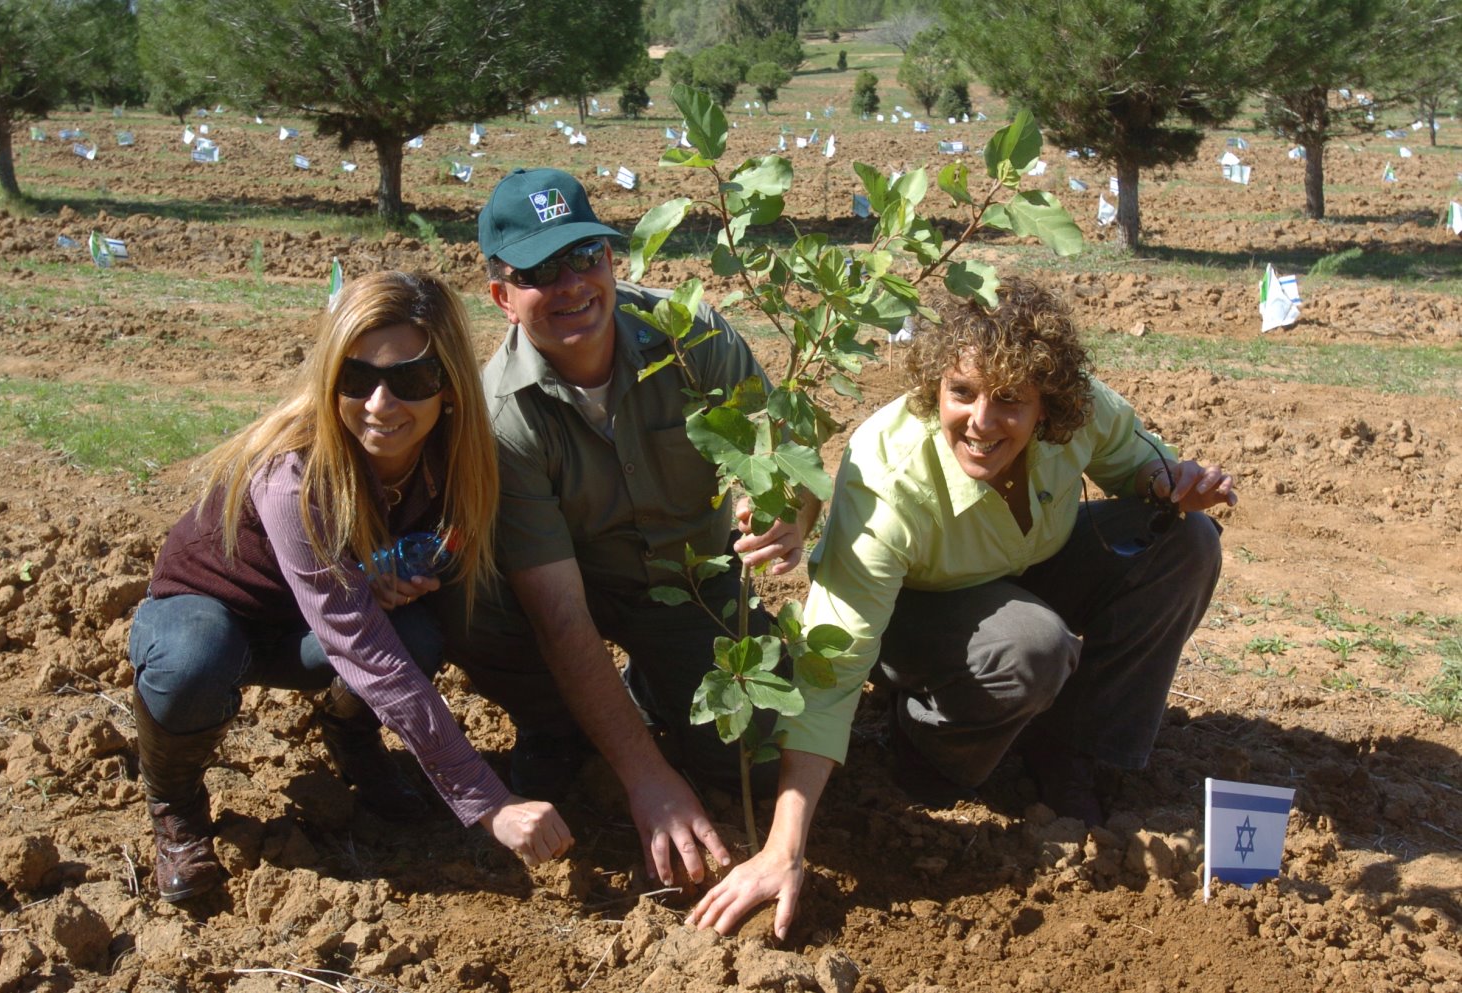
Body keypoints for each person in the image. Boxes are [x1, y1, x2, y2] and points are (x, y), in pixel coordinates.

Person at [689, 276, 1237, 938]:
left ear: (1048, 407)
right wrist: (783, 846)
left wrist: (1170, 481)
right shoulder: (887, 476)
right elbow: (833, 667)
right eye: (962, 393)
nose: (981, 420)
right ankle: (928, 751)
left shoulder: (1082, 416)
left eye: (1010, 400)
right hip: (916, 618)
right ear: (935, 389)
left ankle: (1074, 754)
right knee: (1032, 647)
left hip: (1025, 571)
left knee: (1186, 542)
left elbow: (1137, 464)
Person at [127, 270, 572, 903]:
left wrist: (384, 574)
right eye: (356, 379)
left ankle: (351, 738)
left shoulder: (460, 459)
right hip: (212, 611)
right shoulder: (291, 472)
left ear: (447, 385)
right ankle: (174, 806)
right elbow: (361, 647)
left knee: (418, 632)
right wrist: (487, 798)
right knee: (192, 664)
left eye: (411, 379)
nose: (380, 405)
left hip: (308, 628)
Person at [434, 168, 821, 891]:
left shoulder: (691, 338)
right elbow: (559, 613)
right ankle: (557, 725)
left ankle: (647, 691)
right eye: (541, 271)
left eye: (586, 257)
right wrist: (647, 776)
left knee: (756, 756)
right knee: (468, 597)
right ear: (503, 297)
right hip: (565, 592)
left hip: (688, 589)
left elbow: (790, 460)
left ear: (612, 261)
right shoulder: (501, 419)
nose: (573, 285)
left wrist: (788, 513)